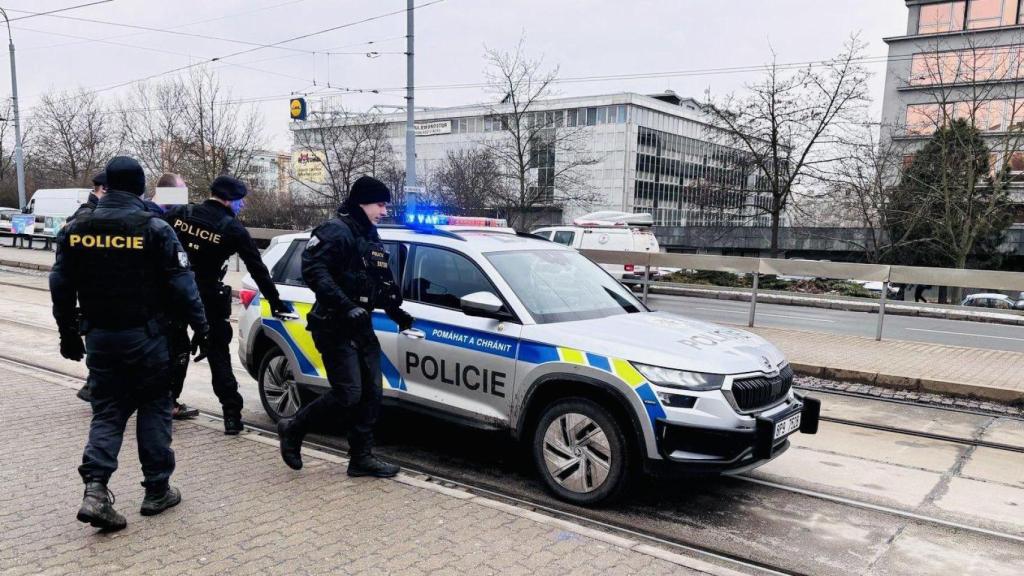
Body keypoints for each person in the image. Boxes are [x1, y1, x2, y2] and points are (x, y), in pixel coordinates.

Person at [50, 156, 209, 532]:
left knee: (108, 411)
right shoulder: (153, 228)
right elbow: (183, 286)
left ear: (105, 185)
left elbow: (60, 285)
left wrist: (68, 333)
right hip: (147, 337)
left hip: (101, 338)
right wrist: (203, 328)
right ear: (140, 187)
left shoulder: (75, 228)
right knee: (154, 407)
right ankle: (157, 489)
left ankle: (95, 490)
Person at [277, 176, 414, 477]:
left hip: (360, 324)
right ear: (362, 202)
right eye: (380, 204)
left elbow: (379, 278)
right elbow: (314, 270)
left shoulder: (370, 233)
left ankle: (361, 457)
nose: (384, 210)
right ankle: (293, 427)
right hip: (334, 323)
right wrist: (346, 305)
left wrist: (395, 311)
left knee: (372, 394)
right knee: (348, 393)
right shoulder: (335, 230)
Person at [163, 175, 292, 434]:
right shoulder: (232, 228)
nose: (241, 206)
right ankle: (232, 416)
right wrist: (276, 302)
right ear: (230, 200)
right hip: (209, 297)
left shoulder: (180, 214)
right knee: (218, 355)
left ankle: (166, 403)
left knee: (175, 349)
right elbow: (257, 268)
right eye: (239, 202)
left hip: (173, 294)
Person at [156, 173, 199, 420]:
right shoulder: (163, 220)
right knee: (177, 349)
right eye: (182, 190)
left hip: (155, 302)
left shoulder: (157, 215)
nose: (185, 196)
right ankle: (168, 403)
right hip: (167, 302)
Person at [71, 172, 107, 404]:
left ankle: (95, 386)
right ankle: (94, 388)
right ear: (103, 189)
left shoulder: (92, 211)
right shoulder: (87, 213)